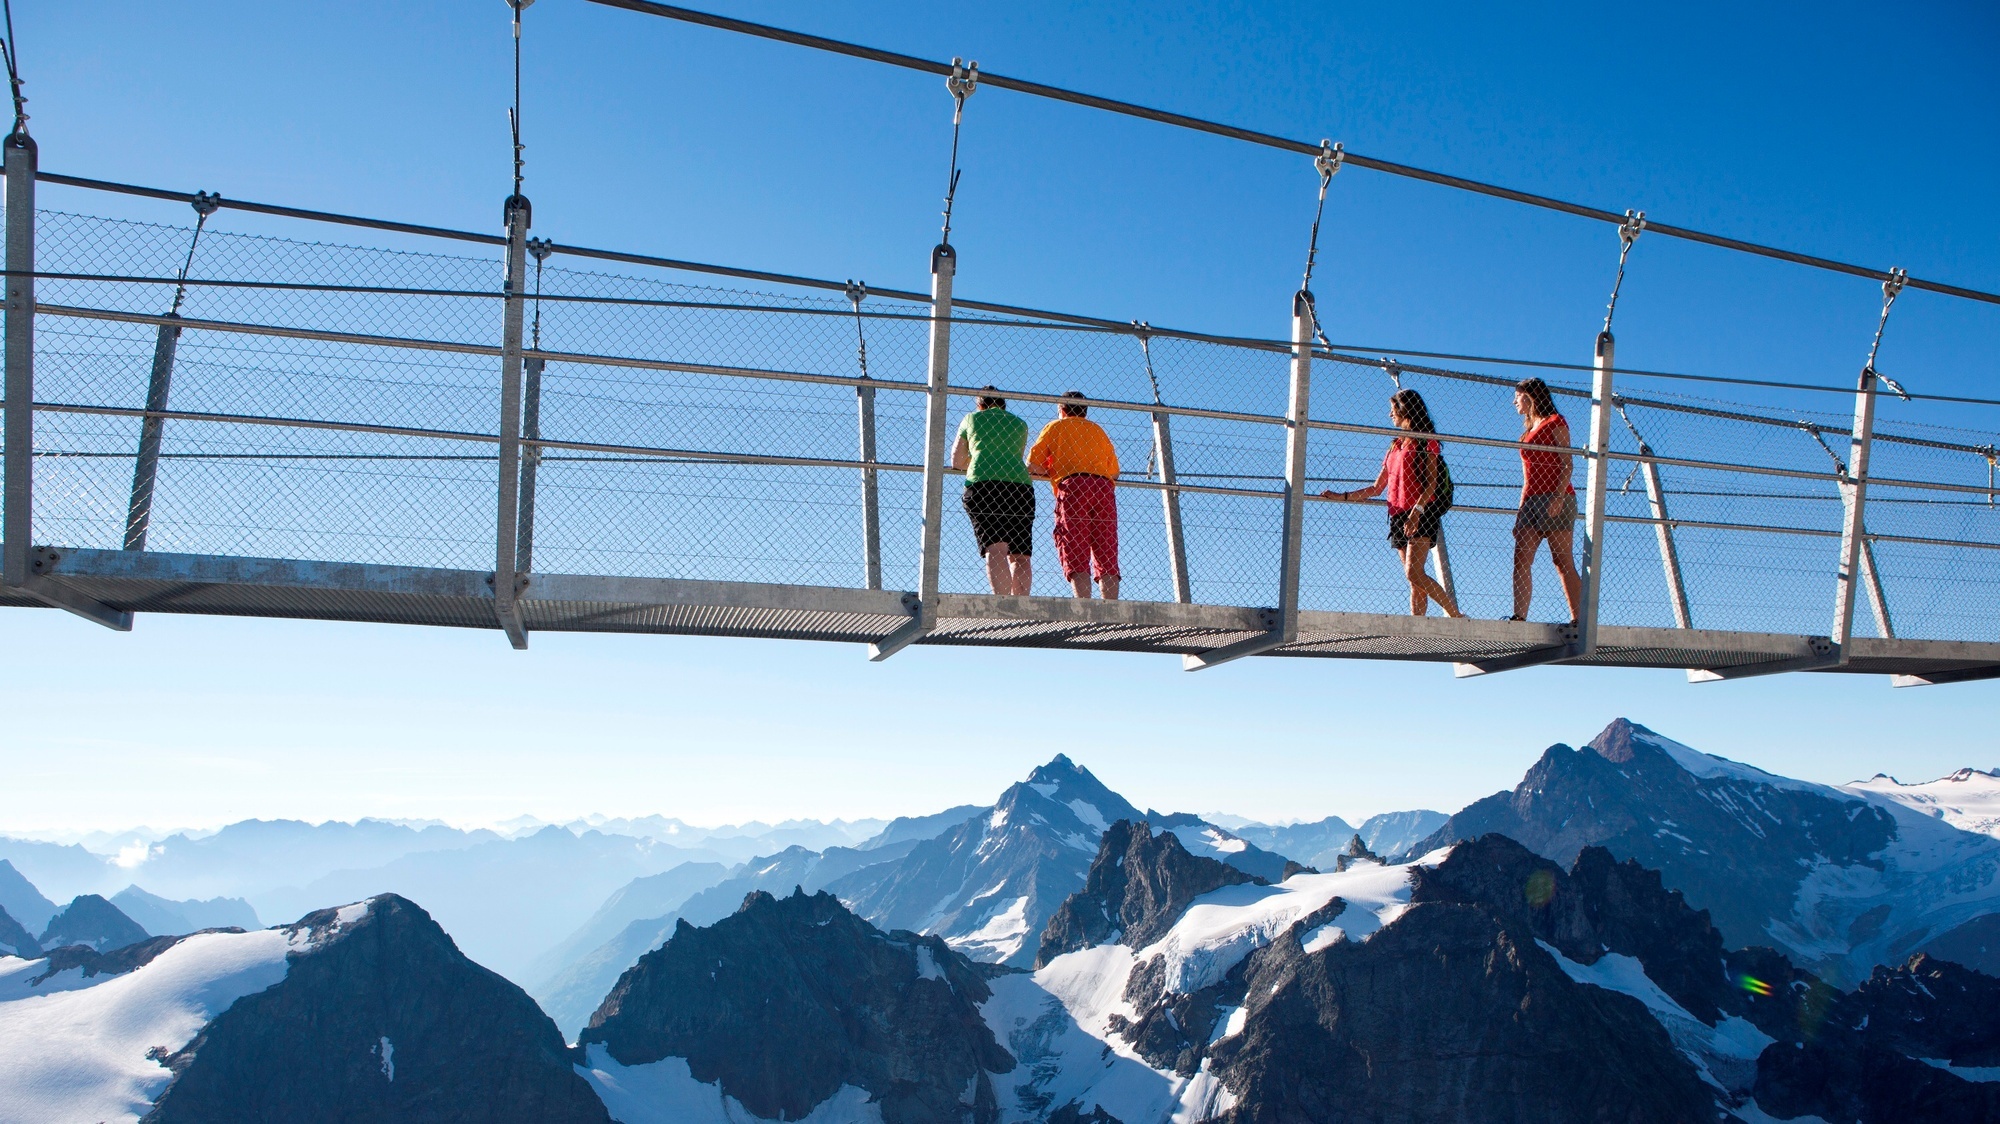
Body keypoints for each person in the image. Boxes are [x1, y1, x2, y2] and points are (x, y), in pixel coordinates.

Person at [1322, 388, 1462, 618]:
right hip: (1397, 515)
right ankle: (1417, 629)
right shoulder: (1395, 445)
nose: (1390, 415)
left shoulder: (1426, 441)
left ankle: (1455, 615)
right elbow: (1377, 488)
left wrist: (1416, 513)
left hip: (1420, 513)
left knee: (1414, 573)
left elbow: (1430, 483)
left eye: (1393, 410)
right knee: (1414, 582)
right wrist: (1341, 496)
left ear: (1405, 410)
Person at [1027, 391, 1121, 599]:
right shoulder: (1098, 430)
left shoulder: (1055, 427)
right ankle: (1111, 608)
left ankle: (1084, 606)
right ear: (1085, 411)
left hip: (1073, 485)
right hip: (1103, 487)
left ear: (1062, 410)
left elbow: (1032, 465)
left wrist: (1050, 469)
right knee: (1106, 549)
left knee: (1074, 545)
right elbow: (1113, 470)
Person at [1509, 377, 1581, 623]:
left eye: (1517, 396)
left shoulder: (1555, 422)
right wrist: (1521, 511)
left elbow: (1567, 464)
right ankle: (1519, 617)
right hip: (1531, 501)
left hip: (1557, 498)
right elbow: (1527, 477)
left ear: (1529, 396)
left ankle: (1579, 618)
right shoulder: (1526, 433)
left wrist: (1558, 497)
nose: (1514, 402)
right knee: (1521, 559)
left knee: (1561, 560)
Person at [953, 388, 1034, 596]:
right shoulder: (1019, 423)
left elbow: (957, 460)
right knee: (1020, 554)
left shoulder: (971, 419)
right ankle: (1021, 604)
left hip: (983, 483)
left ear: (979, 405)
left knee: (996, 548)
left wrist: (975, 459)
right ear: (1003, 405)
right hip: (1020, 486)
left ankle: (1003, 604)